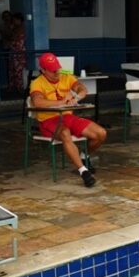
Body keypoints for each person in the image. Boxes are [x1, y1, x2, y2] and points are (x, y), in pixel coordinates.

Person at [30, 52, 107, 187]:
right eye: (53, 70)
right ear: (43, 70)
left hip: (68, 117)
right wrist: (61, 103)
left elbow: (80, 87)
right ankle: (83, 171)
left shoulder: (66, 76)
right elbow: (37, 102)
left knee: (100, 133)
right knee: (65, 133)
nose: (56, 72)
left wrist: (78, 96)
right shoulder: (37, 83)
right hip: (49, 121)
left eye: (57, 69)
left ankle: (84, 156)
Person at [8, 12, 26, 94]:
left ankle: (20, 88)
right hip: (13, 52)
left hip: (19, 54)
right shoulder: (14, 28)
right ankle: (13, 87)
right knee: (12, 71)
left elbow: (16, 39)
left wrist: (12, 30)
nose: (14, 21)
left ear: (19, 20)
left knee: (18, 71)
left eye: (15, 20)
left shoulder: (21, 28)